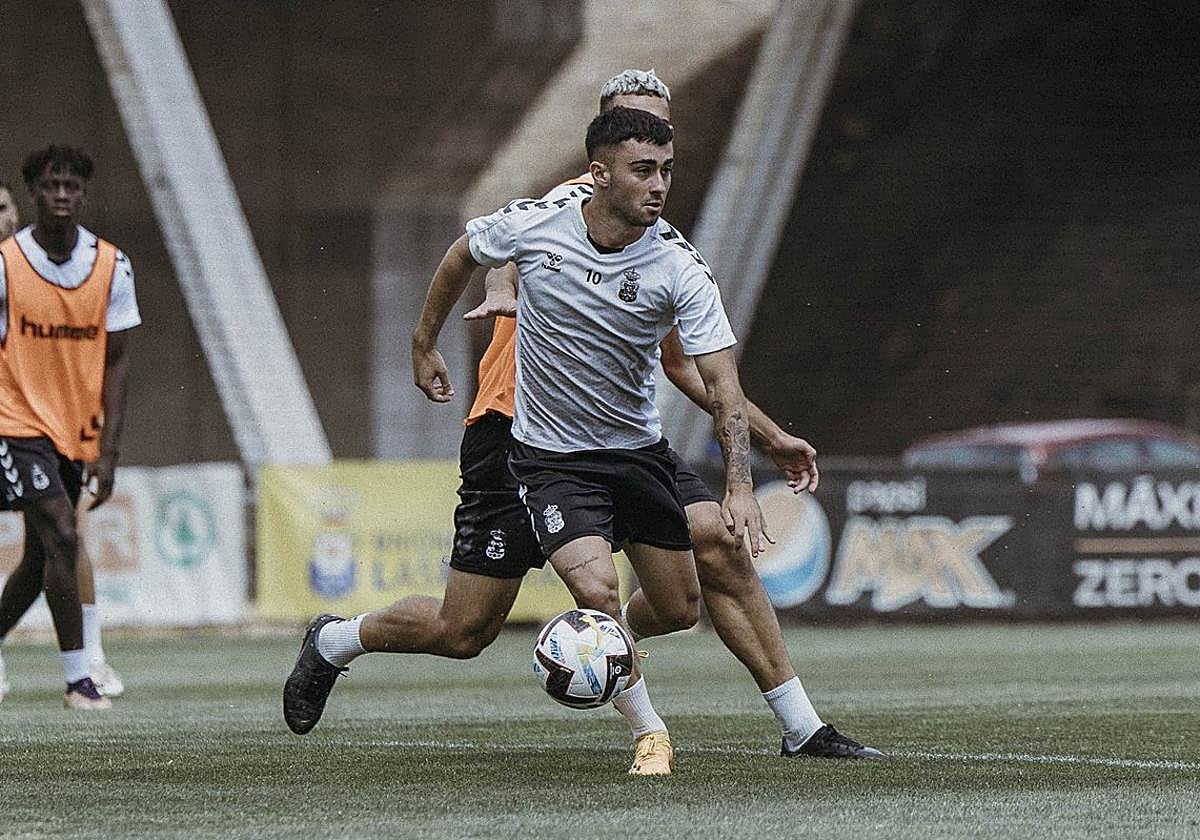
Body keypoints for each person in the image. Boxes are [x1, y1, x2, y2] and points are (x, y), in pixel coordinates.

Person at [285, 72, 879, 771]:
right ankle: (339, 641)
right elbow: (490, 261)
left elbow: (692, 367)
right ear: (602, 154)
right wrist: (434, 338)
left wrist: (766, 441)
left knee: (710, 550)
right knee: (466, 628)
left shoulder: (670, 258)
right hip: (514, 437)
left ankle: (797, 725)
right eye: (642, 152)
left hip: (627, 445)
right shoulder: (547, 216)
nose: (659, 175)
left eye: (667, 155)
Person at [0, 146, 139, 709]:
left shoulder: (113, 266)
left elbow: (120, 361)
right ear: (33, 193)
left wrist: (107, 454)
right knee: (62, 532)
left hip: (75, 433)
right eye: (51, 185)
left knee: (42, 557)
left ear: (83, 193)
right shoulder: (6, 262)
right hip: (14, 421)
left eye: (71, 186)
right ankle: (80, 680)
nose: (61, 195)